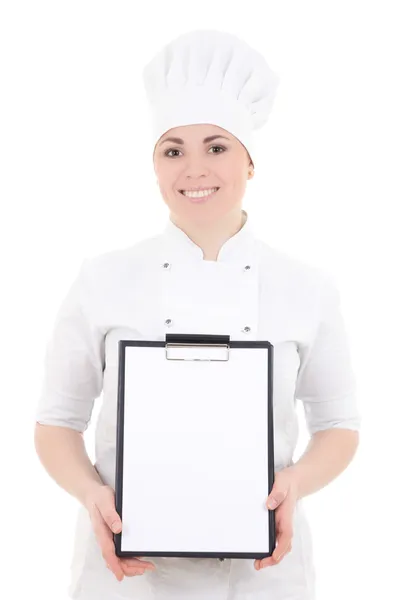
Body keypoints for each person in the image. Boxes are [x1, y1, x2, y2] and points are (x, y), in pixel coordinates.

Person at [34, 29, 361, 600]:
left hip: (265, 574)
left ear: (250, 162)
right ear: (154, 166)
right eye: (173, 150)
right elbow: (57, 422)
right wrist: (92, 495)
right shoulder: (102, 279)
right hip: (126, 572)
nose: (194, 169)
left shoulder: (307, 288)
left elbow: (338, 426)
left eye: (216, 147)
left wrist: (294, 484)